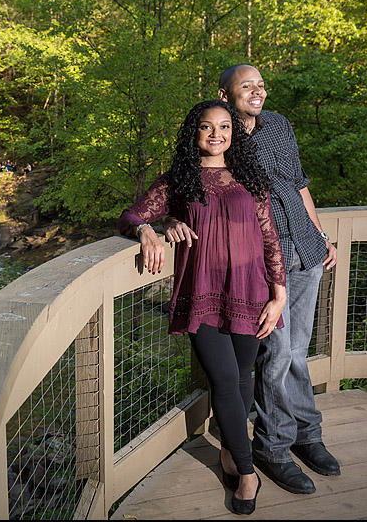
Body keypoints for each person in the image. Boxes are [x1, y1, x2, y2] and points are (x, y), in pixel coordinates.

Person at [118, 99, 287, 515]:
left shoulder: (250, 177)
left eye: (225, 127)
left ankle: (230, 453)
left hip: (250, 292)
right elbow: (130, 214)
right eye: (207, 127)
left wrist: (279, 293)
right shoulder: (180, 180)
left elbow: (268, 237)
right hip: (203, 294)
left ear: (234, 132)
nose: (217, 135)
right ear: (194, 132)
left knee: (243, 380)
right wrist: (153, 228)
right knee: (226, 380)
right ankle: (247, 473)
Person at [212, 63, 340, 495]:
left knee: (297, 354)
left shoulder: (280, 126)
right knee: (277, 354)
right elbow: (192, 187)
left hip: (306, 248)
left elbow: (299, 185)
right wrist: (157, 224)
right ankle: (273, 446)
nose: (258, 91)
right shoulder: (220, 136)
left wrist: (321, 236)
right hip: (266, 260)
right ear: (225, 94)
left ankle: (307, 435)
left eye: (261, 85)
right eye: (247, 85)